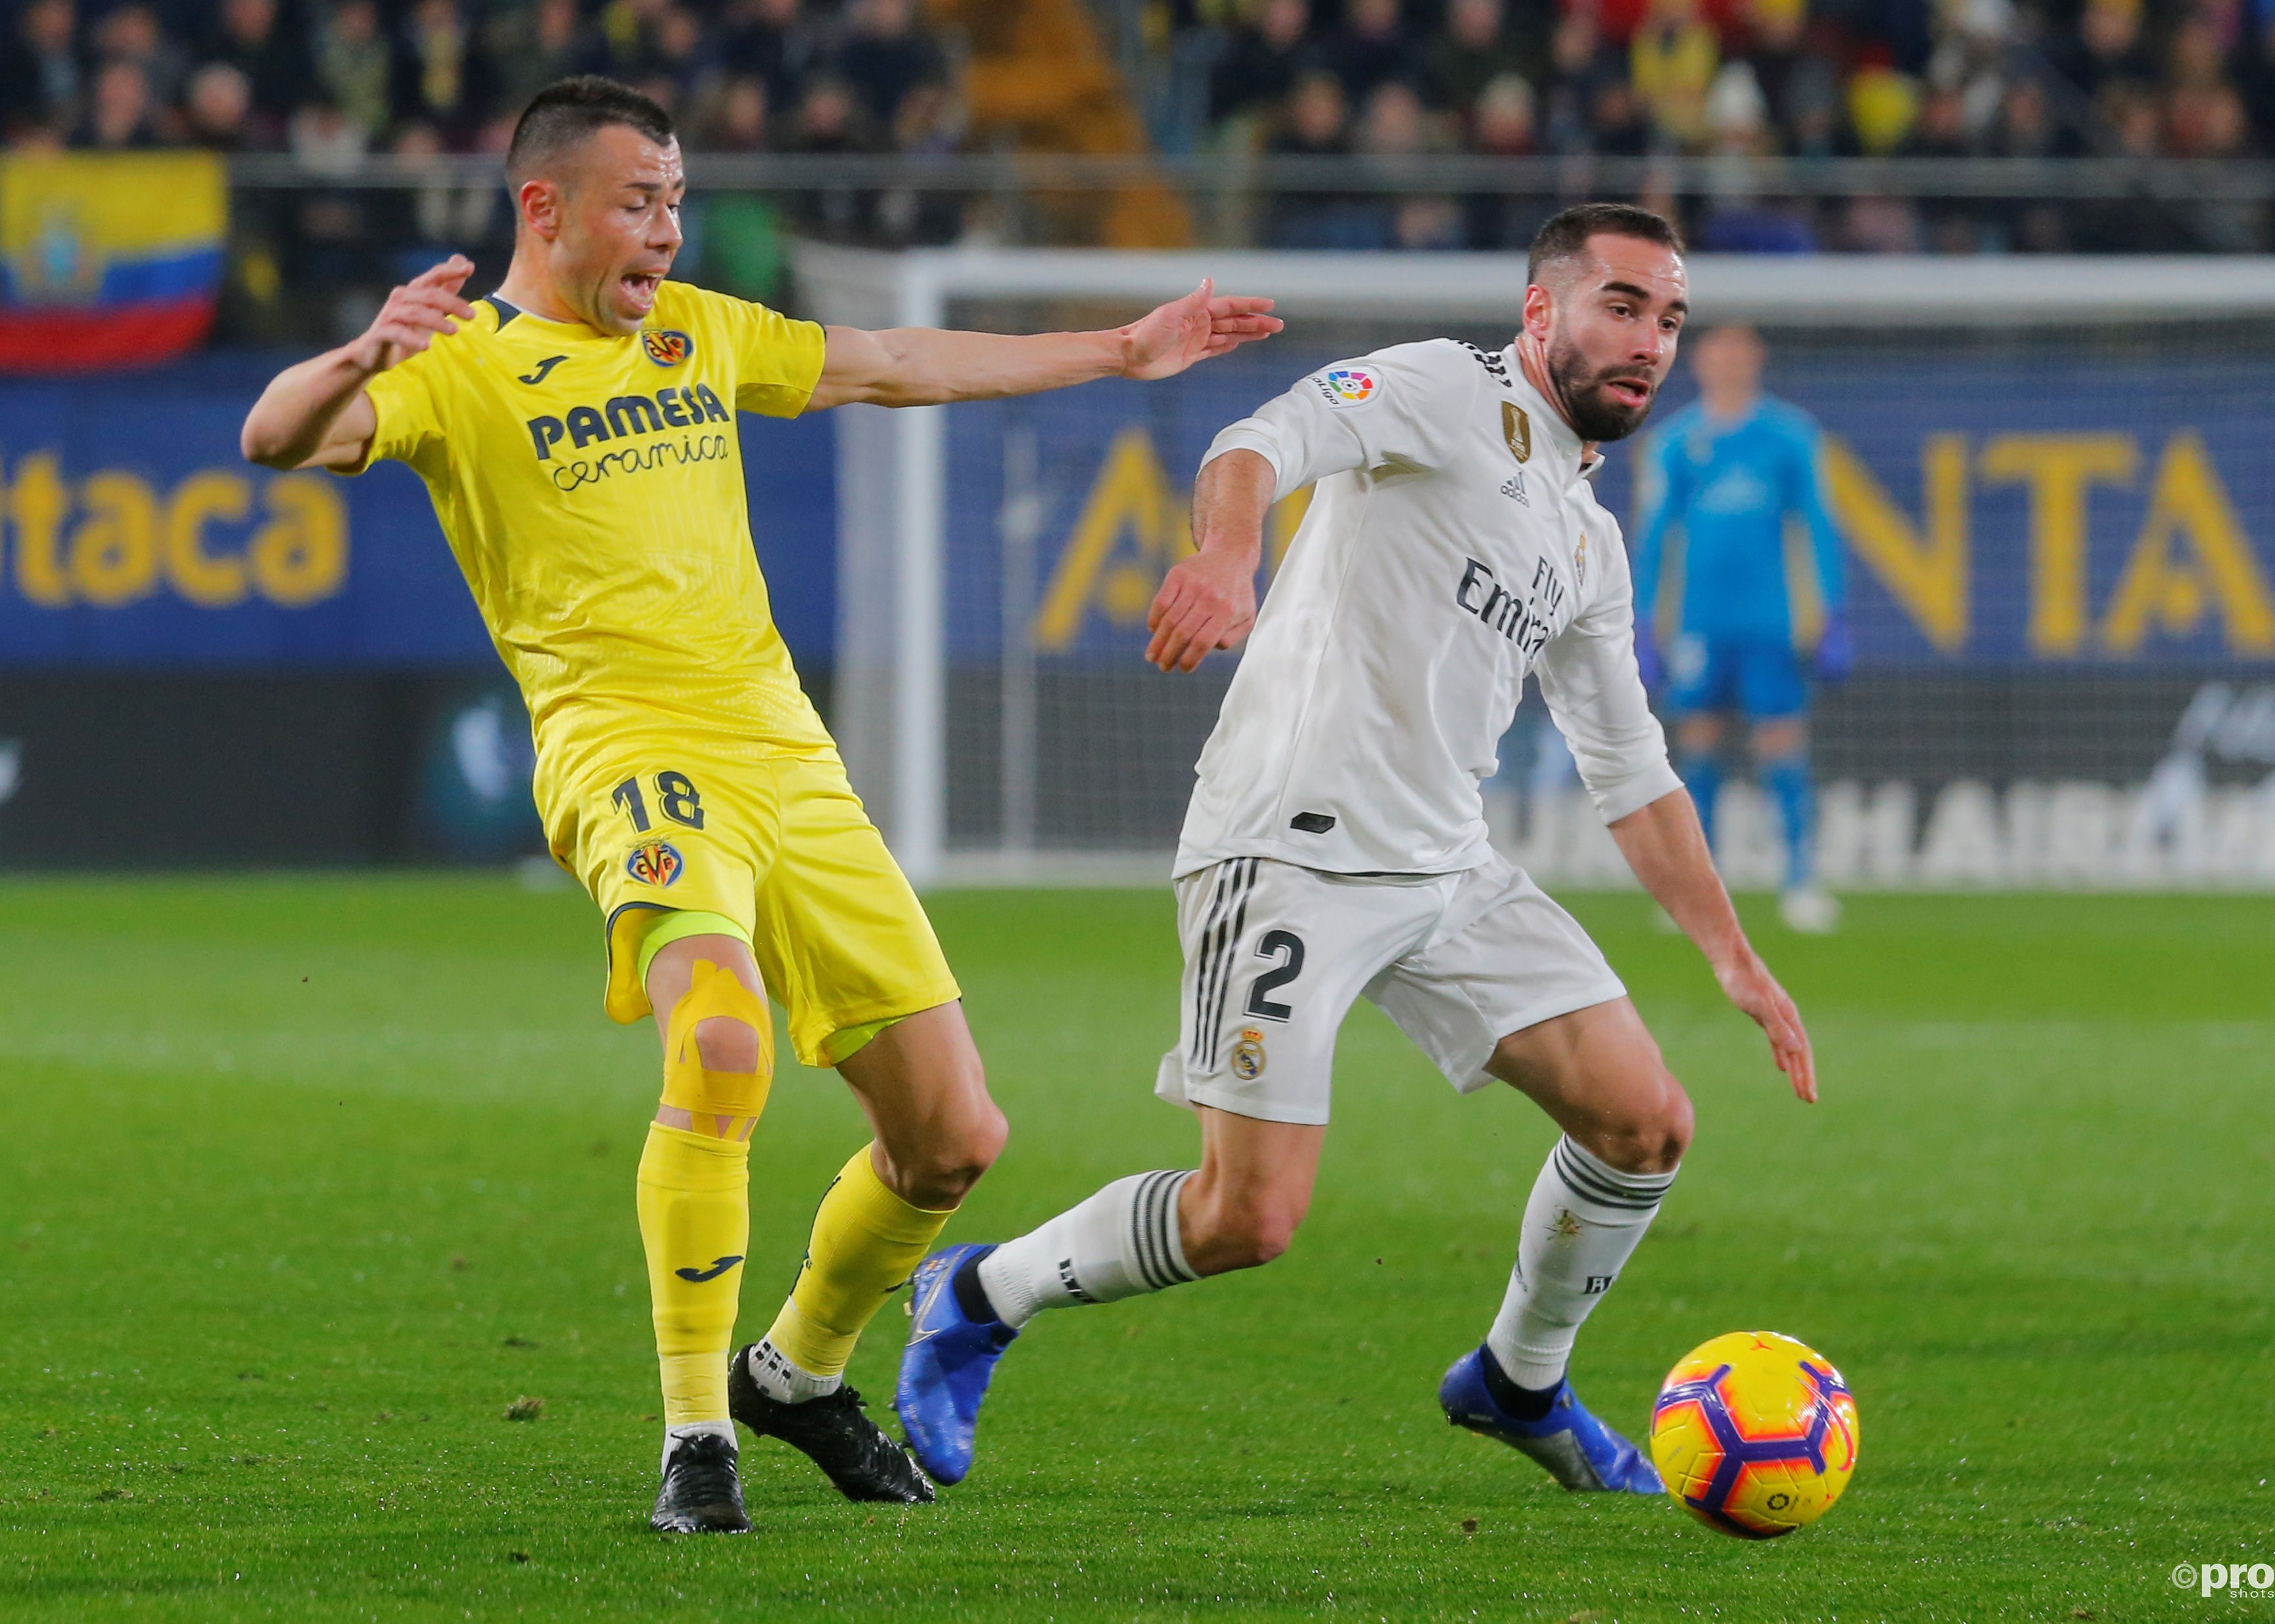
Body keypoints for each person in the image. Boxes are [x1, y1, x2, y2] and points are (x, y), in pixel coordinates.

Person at [238, 75, 1279, 1536]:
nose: (667, 227)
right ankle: (695, 1434)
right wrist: (361, 348)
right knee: (720, 1042)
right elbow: (276, 441)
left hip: (789, 756)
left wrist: (1125, 346)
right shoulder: (457, 364)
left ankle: (796, 1372)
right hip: (623, 753)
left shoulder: (695, 331)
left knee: (953, 1138)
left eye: (673, 200)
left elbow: (894, 358)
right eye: (637, 202)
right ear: (543, 206)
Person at [896, 203, 1817, 1496]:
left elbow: (1629, 764)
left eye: (1668, 317)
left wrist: (1733, 956)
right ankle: (978, 1290)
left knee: (1645, 1122)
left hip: (1444, 865)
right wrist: (1225, 558)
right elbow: (1254, 442)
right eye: (1621, 304)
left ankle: (1517, 1375)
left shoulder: (1588, 534)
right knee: (1246, 1216)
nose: (1650, 340)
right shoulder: (1443, 390)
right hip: (1285, 846)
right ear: (1541, 309)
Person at [1632, 324, 1844, 933]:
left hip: (1769, 619)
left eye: (1740, 350)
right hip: (1699, 620)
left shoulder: (1789, 436)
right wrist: (1647, 622)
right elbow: (1655, 539)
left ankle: (1802, 879)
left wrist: (1830, 613)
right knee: (1696, 745)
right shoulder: (1675, 442)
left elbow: (1817, 528)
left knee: (1780, 741)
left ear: (1757, 358)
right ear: (1698, 362)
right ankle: (1701, 890)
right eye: (1717, 351)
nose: (1728, 361)